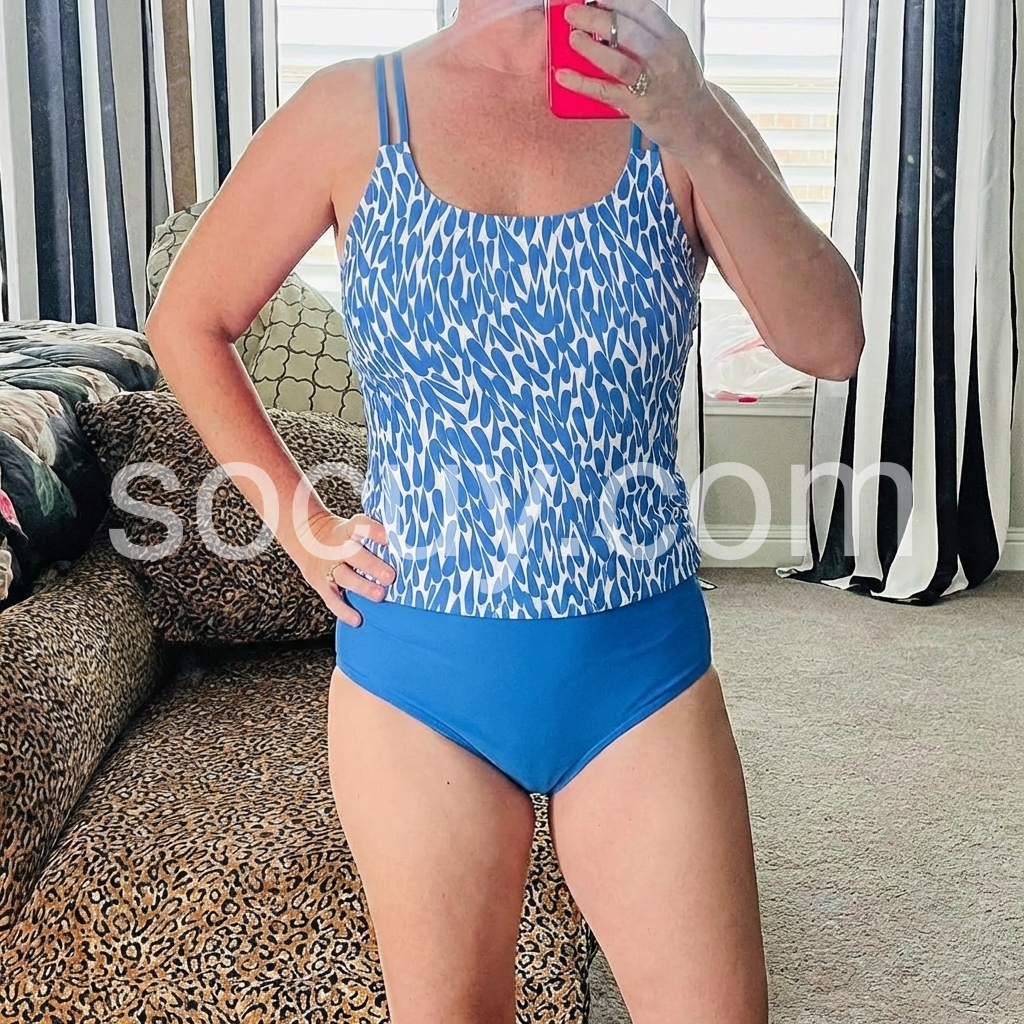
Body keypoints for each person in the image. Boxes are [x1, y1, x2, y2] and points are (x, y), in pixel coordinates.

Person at [145, 0, 865, 1020]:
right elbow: (187, 319)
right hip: (418, 683)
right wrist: (301, 525)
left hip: (639, 675)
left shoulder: (677, 113)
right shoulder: (351, 111)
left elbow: (830, 342)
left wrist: (696, 125)